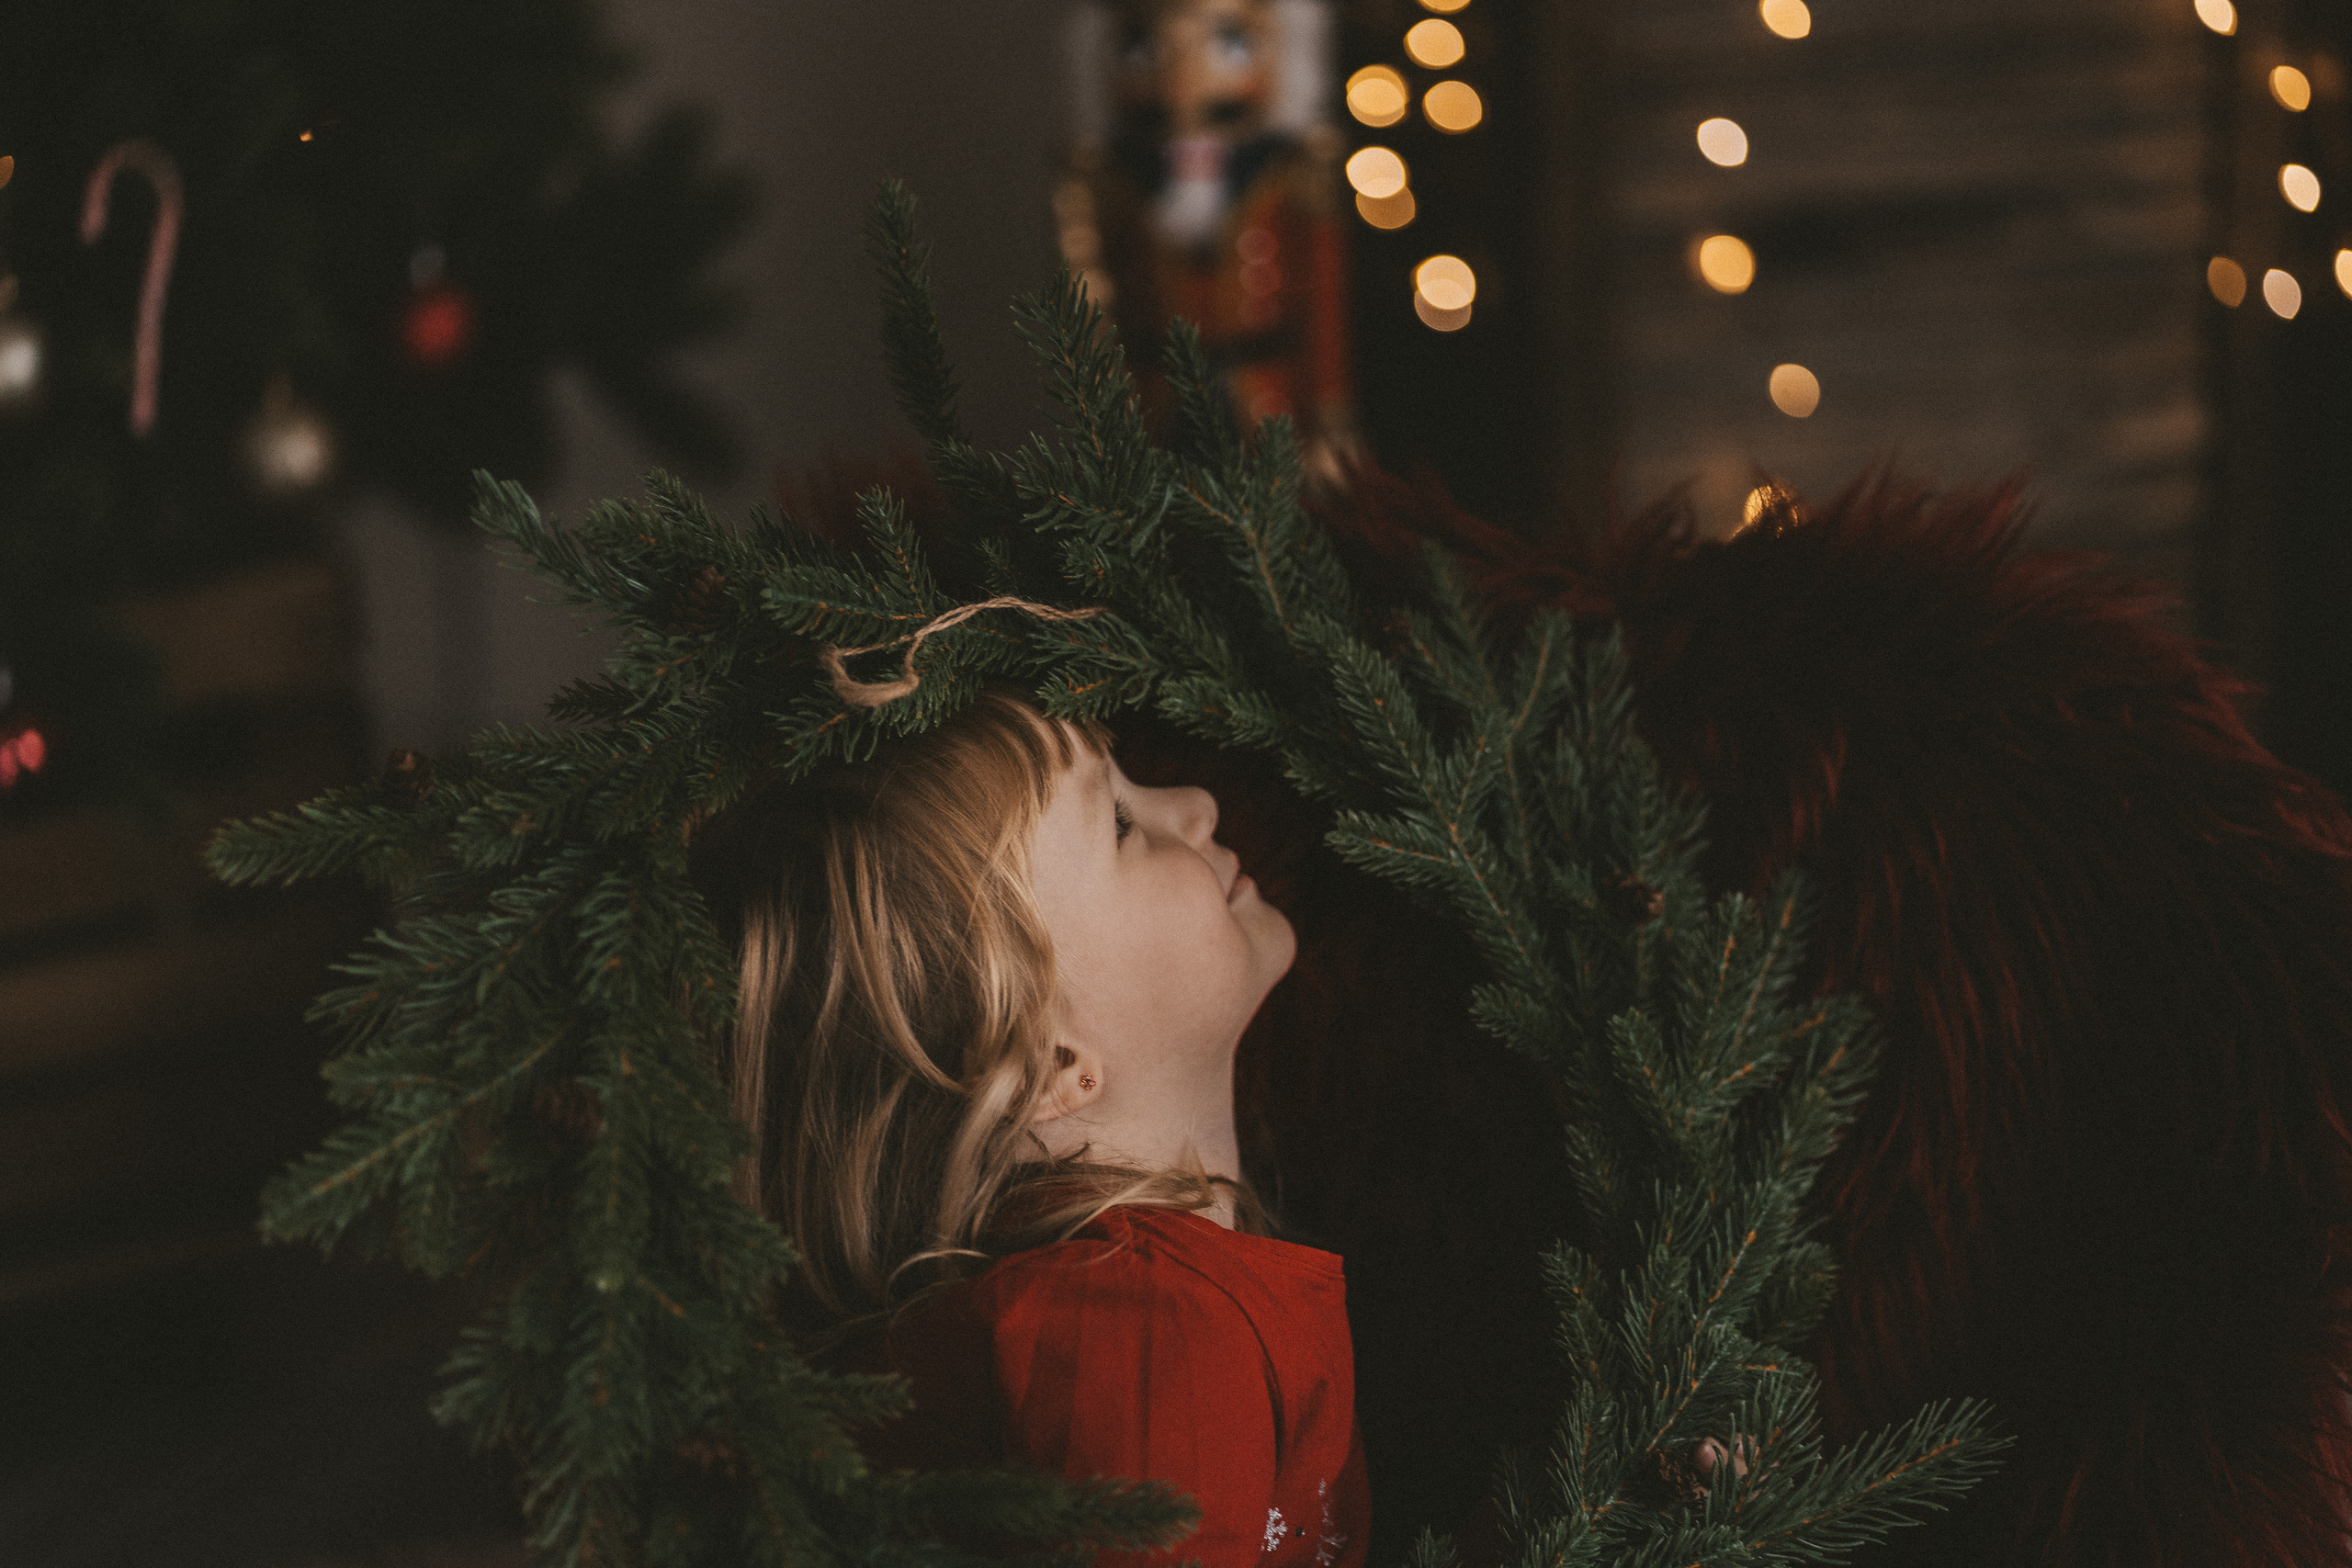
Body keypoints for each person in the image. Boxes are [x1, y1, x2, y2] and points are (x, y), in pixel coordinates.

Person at [689, 688, 1368, 1568]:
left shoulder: (1139, 1290)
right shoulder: (1143, 1329)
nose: (1194, 806)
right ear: (1047, 1063)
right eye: (1121, 824)